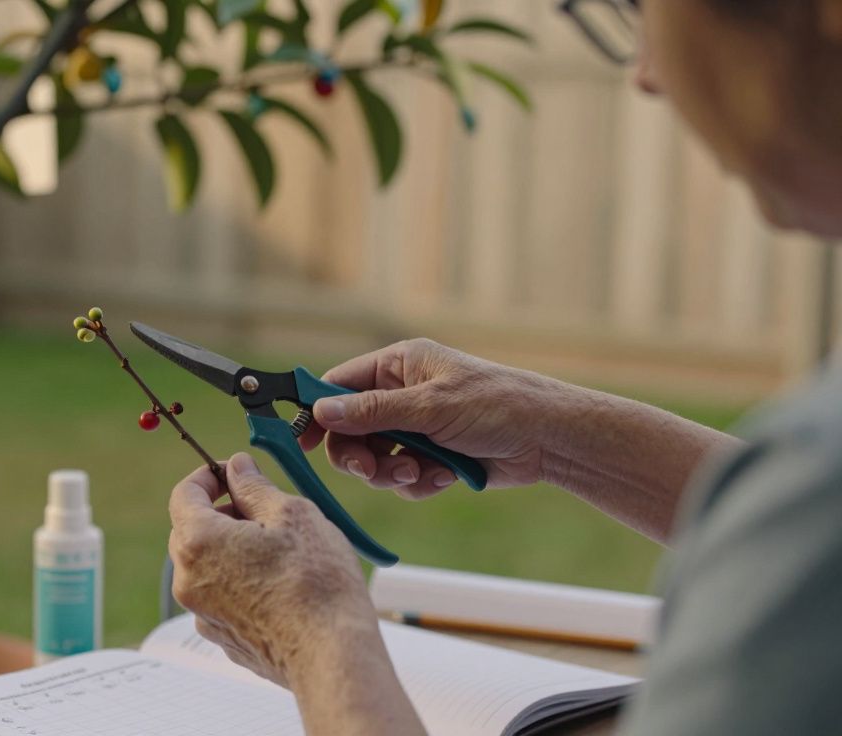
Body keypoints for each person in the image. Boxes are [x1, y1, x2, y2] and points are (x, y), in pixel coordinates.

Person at [166, 0, 842, 733]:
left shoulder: (812, 503)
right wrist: (551, 431)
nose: (646, 74)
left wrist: (313, 636)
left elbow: (810, 519)